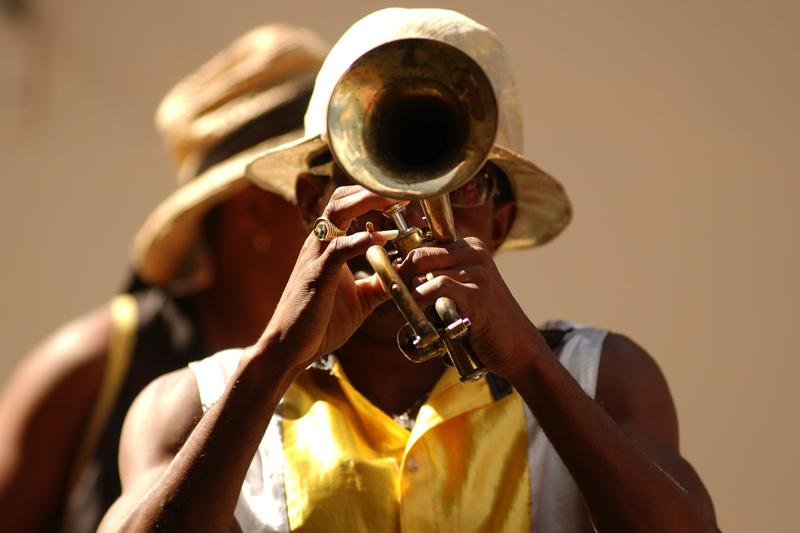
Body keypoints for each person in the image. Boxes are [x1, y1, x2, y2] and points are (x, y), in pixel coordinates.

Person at [100, 9, 719, 533]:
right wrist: (276, 360)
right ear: (313, 204)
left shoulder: (602, 378)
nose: (413, 210)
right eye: (371, 173)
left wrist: (531, 364)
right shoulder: (187, 405)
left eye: (463, 184)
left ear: (500, 225)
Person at [0, 25, 328, 532]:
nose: (365, 205)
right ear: (254, 212)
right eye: (327, 184)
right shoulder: (85, 368)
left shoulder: (364, 362)